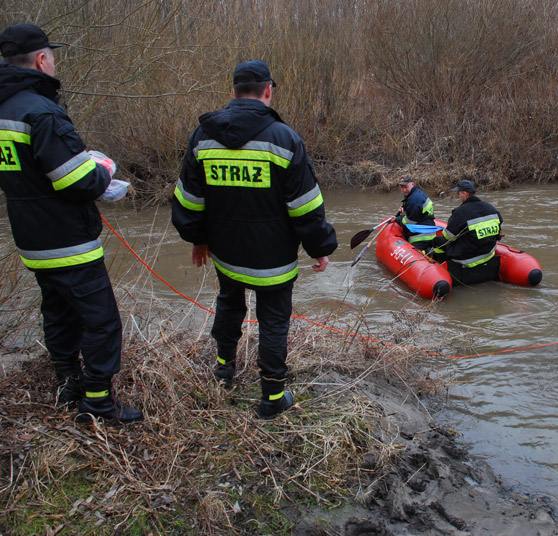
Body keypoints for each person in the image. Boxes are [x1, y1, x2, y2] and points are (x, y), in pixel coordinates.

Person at [171, 60, 337, 420]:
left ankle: (224, 370)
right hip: (272, 257)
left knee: (229, 305)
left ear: (232, 93)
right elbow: (305, 207)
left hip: (225, 253)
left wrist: (198, 239)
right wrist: (320, 247)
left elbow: (187, 201)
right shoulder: (285, 139)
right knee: (273, 321)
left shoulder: (202, 137)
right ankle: (272, 398)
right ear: (268, 91)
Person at [0, 24, 142, 423]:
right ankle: (97, 401)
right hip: (67, 238)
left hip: (30, 237)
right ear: (42, 59)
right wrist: (102, 170)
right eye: (52, 55)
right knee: (101, 322)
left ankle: (67, 384)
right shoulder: (41, 111)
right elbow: (74, 179)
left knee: (58, 311)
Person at [432, 180, 503, 286]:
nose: (458, 196)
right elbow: (498, 226)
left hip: (468, 257)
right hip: (488, 253)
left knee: (437, 241)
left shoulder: (461, 212)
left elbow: (448, 236)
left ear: (464, 194)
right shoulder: (490, 208)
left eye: (459, 193)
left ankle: (442, 271)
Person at [395, 176, 437, 250]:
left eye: (406, 187)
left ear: (413, 184)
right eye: (402, 187)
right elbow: (416, 213)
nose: (404, 190)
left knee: (419, 256)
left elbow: (410, 221)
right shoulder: (416, 193)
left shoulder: (413, 200)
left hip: (420, 237)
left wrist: (397, 219)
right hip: (430, 232)